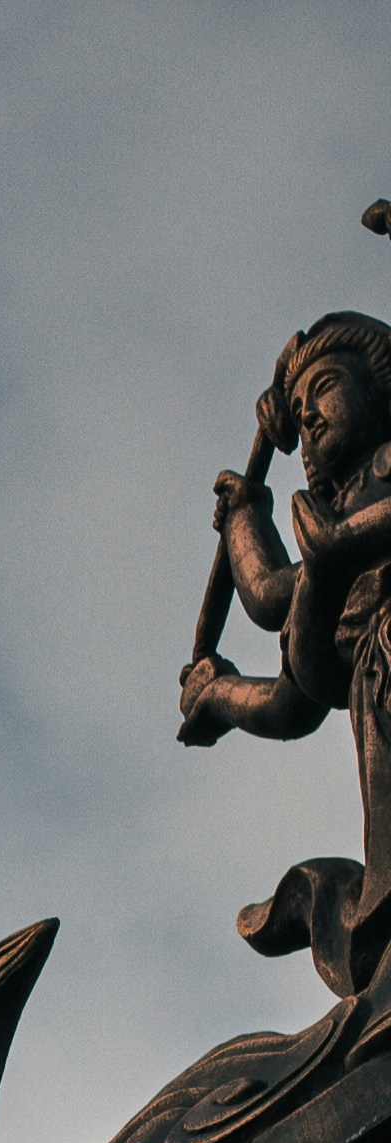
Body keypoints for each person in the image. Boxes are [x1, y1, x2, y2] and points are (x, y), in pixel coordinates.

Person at [183, 309, 391, 996]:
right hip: (372, 679)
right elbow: (273, 603)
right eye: (299, 412)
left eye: (326, 390)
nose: (311, 419)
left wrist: (338, 547)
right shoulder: (329, 524)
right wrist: (248, 515)